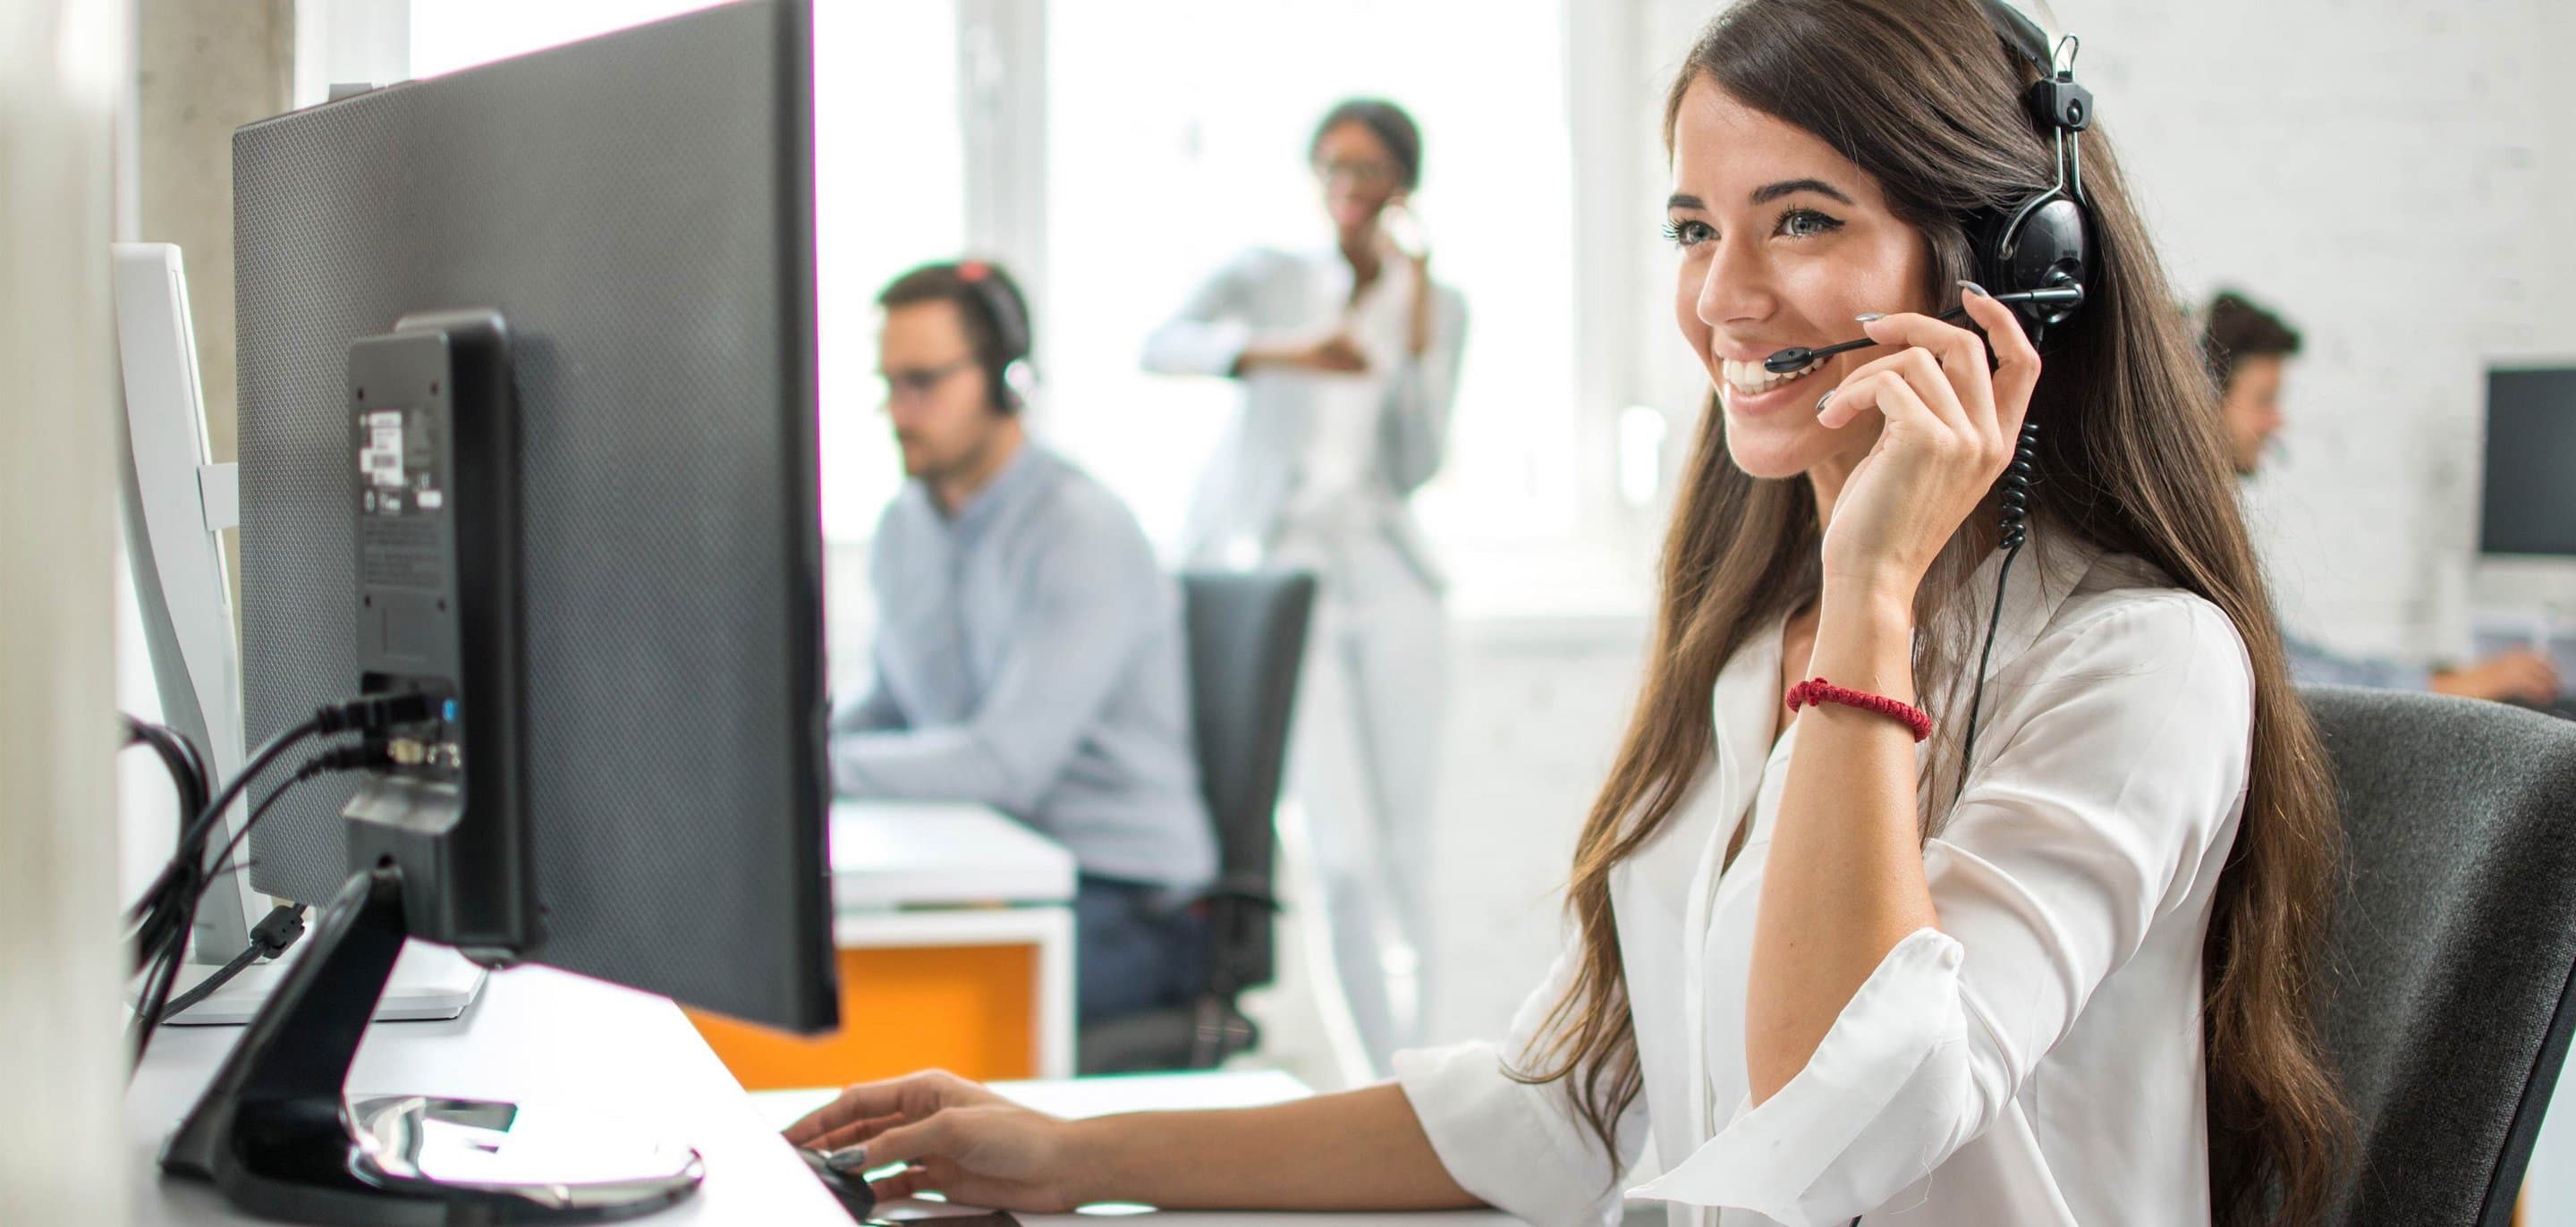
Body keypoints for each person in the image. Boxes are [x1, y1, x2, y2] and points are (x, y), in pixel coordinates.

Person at [788, 4, 2349, 1224]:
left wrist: (1871, 594)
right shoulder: (1752, 646)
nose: (1722, 298)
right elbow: (1567, 1105)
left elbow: (1841, 1125)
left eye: (1802, 221)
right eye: (1694, 228)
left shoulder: (2139, 663)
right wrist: (1070, 1154)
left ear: (2014, 271)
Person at [1140, 97, 1468, 1070]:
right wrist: (1283, 352)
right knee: (1341, 856)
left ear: (1403, 184)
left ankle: (1421, 1075)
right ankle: (1375, 1079)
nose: (1346, 187)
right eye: (1331, 166)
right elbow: (1160, 345)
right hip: (1283, 570)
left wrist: (1417, 330)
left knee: (1408, 852)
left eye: (1367, 169)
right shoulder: (1269, 276)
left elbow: (1416, 463)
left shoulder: (1437, 303)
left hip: (1387, 570)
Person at [832, 259, 1215, 1028]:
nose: (900, 412)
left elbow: (1005, 766)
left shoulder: (1079, 530)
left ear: (1008, 380)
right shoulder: (905, 525)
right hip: (992, 869)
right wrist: (784, 756)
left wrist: (814, 774)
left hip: (1125, 899)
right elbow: (895, 706)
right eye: (889, 385)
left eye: (923, 383)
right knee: (828, 965)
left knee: (882, 1009)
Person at [2203, 289, 2562, 703]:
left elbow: (2297, 660)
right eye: (2264, 400)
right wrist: (2460, 686)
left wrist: (2447, 679)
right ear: (2203, 400)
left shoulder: (2214, 520)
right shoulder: (2198, 533)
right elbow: (2303, 684)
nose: (2277, 421)